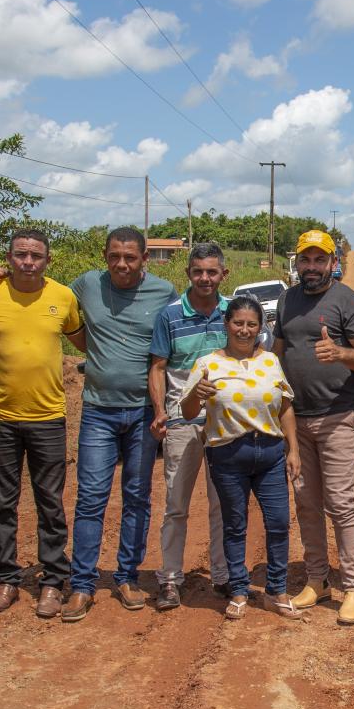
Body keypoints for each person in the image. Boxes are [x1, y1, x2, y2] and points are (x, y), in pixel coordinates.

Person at [63, 228, 177, 621]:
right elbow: (46, 297)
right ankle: (81, 584)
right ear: (105, 255)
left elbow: (176, 336)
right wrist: (5, 275)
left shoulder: (164, 292)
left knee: (138, 497)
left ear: (145, 257)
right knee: (91, 498)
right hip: (97, 411)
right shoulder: (86, 284)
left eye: (130, 257)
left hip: (144, 412)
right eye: (114, 256)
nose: (122, 264)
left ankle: (127, 576)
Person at [0, 229, 84, 619]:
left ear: (47, 260)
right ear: (9, 257)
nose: (28, 262)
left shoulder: (63, 296)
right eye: (21, 255)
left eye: (36, 256)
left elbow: (82, 340)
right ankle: (6, 578)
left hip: (49, 417)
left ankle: (53, 581)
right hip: (0, 419)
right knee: (2, 504)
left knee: (50, 503)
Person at [179, 296, 303, 620]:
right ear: (226, 324)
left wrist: (294, 449)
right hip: (227, 453)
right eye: (238, 323)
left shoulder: (270, 362)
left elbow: (285, 406)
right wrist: (196, 394)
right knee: (235, 525)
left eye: (251, 324)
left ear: (260, 327)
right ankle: (238, 590)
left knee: (278, 523)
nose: (245, 330)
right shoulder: (208, 364)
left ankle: (276, 591)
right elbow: (188, 411)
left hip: (271, 453)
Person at [276, 229, 354, 626]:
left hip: (337, 416)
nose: (312, 267)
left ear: (334, 263)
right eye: (306, 259)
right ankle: (317, 579)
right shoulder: (286, 300)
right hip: (295, 420)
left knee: (341, 503)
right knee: (305, 502)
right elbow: (279, 355)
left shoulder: (348, 302)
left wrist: (339, 352)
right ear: (297, 263)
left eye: (320, 260)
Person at [149, 242, 232, 611]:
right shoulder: (169, 316)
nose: (205, 278)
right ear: (188, 274)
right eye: (198, 271)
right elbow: (158, 367)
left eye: (212, 272)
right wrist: (159, 411)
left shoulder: (234, 313)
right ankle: (170, 578)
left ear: (223, 275)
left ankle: (224, 575)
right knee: (176, 505)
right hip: (182, 420)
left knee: (222, 504)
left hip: (225, 424)